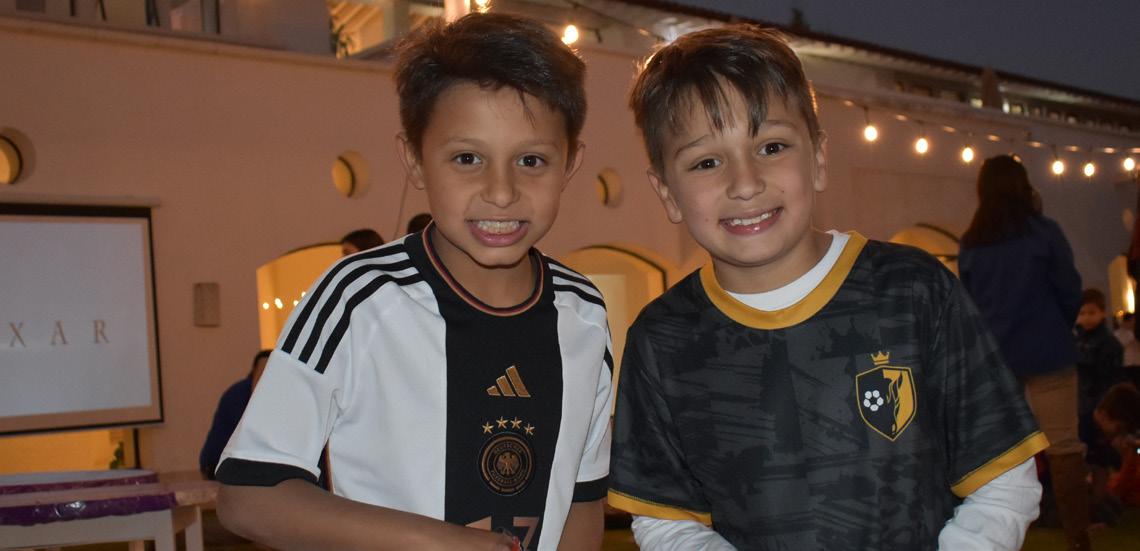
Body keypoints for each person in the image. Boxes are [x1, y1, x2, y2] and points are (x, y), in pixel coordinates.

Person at [608, 25, 1046, 551]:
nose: (745, 183)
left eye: (771, 146)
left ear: (817, 158)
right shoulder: (662, 339)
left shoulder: (914, 292)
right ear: (666, 192)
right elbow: (667, 522)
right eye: (706, 162)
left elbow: (1004, 482)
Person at [215, 13, 612, 551]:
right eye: (467, 158)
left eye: (531, 160)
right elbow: (248, 495)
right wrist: (441, 542)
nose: (501, 192)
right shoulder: (358, 298)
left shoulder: (584, 312)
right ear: (415, 162)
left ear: (570, 164)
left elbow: (583, 498)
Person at [958, 154, 1089, 550]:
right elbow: (1070, 289)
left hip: (998, 360)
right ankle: (1077, 539)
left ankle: (1004, 536)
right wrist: (1058, 324)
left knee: (1007, 453)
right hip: (1049, 350)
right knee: (1065, 447)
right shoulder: (1043, 232)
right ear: (1023, 185)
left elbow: (969, 306)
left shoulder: (972, 243)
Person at [199, 350, 270, 479]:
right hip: (218, 465)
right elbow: (250, 436)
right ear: (254, 372)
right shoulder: (238, 394)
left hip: (235, 464)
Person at [1093, 383, 1140, 506]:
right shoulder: (1086, 434)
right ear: (1104, 415)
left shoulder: (1104, 442)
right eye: (1119, 429)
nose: (1120, 436)